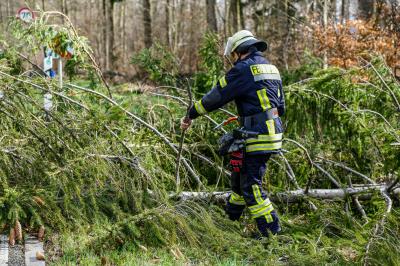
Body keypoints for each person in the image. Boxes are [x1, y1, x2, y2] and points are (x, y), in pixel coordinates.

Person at [181, 30, 285, 237]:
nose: (234, 60)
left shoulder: (243, 69)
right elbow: (280, 106)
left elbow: (216, 96)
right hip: (270, 130)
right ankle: (229, 222)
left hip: (257, 135)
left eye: (234, 55)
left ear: (238, 52)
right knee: (238, 180)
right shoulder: (271, 68)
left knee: (251, 186)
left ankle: (272, 233)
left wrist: (190, 114)